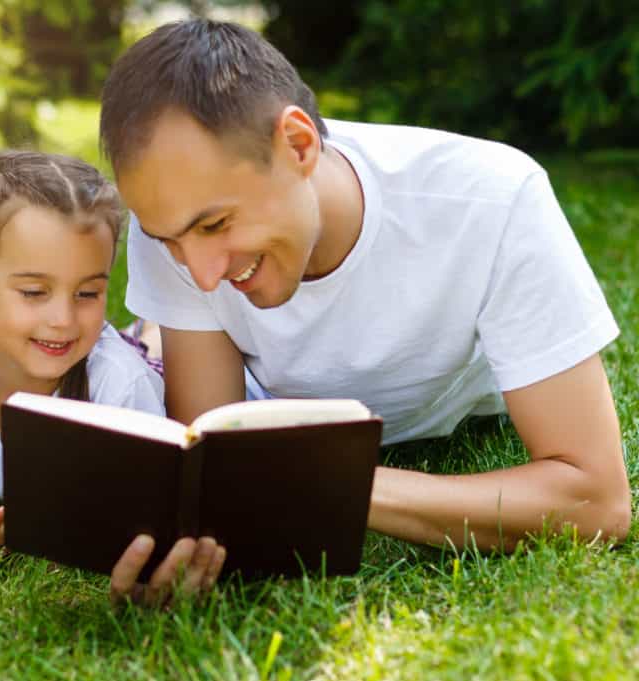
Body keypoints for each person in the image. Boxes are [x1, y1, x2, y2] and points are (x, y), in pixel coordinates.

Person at [98, 19, 632, 600]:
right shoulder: (173, 228)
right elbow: (219, 472)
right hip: (270, 397)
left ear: (298, 146)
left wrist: (333, 485)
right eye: (170, 240)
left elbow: (597, 499)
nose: (200, 273)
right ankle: (150, 334)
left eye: (216, 224)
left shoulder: (493, 200)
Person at [0, 150, 226, 602]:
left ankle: (148, 333)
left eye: (88, 292)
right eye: (34, 292)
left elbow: (155, 516)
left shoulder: (120, 385)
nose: (63, 319)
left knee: (146, 353)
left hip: (137, 366)